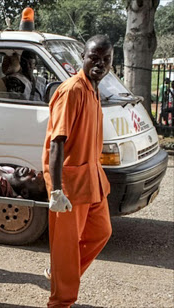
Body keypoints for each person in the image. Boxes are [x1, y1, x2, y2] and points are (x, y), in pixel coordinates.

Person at [42, 35, 113, 307]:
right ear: (83, 57)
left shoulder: (94, 89)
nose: (99, 63)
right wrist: (57, 190)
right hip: (70, 185)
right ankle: (60, 301)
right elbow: (57, 142)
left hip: (92, 180)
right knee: (65, 248)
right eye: (94, 57)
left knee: (101, 232)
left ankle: (60, 274)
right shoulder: (72, 90)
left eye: (105, 59)